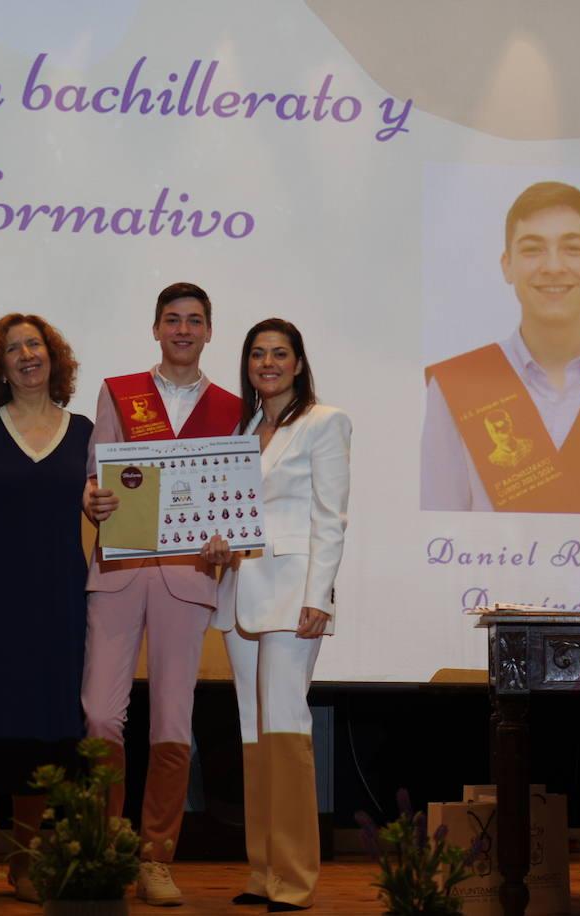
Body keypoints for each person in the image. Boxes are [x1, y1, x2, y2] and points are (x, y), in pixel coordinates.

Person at [81, 282, 242, 906]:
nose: (182, 330)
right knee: (99, 713)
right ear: (155, 328)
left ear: (208, 331)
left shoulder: (232, 406)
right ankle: (102, 846)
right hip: (119, 569)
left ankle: (155, 857)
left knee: (173, 722)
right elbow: (96, 474)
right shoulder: (120, 391)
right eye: (172, 320)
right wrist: (89, 500)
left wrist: (230, 537)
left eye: (194, 320)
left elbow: (237, 491)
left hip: (187, 573)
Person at [0, 314, 92, 905]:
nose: (26, 354)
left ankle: (24, 864)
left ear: (53, 357)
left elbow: (117, 501)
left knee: (44, 735)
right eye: (12, 349)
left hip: (57, 602)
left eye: (35, 344)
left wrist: (104, 506)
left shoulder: (84, 432)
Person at [201, 318, 351, 912]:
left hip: (294, 596)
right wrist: (215, 546)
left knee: (286, 729)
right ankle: (262, 871)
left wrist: (320, 595)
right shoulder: (240, 428)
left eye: (279, 354)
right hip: (239, 590)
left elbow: (330, 517)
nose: (268, 363)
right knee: (251, 732)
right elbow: (230, 513)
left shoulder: (324, 422)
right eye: (258, 354)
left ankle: (294, 877)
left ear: (297, 362)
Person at [420, 180, 580, 515]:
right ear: (507, 265)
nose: (554, 266)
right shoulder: (456, 385)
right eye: (533, 249)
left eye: (572, 248)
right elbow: (438, 538)